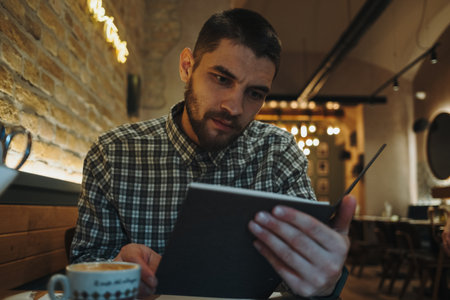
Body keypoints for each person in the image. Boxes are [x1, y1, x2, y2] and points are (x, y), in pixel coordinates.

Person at [71, 8, 356, 299]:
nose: (234, 107)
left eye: (254, 93)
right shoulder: (112, 153)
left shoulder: (278, 152)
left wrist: (325, 283)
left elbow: (304, 270)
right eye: (221, 79)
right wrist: (120, 272)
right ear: (186, 67)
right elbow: (84, 262)